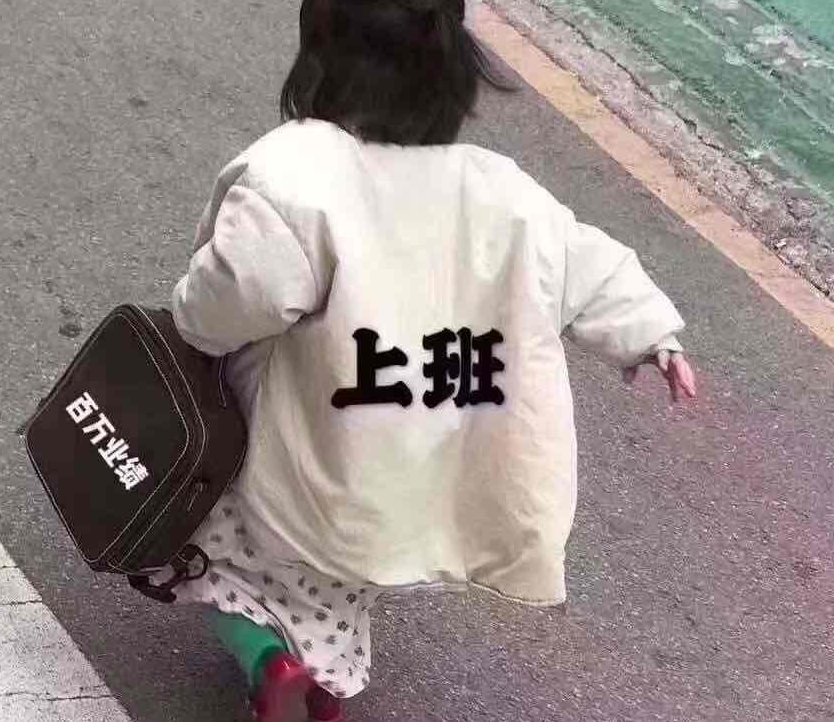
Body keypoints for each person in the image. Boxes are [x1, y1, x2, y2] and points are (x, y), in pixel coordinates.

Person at [170, 1, 698, 720]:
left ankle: (273, 668)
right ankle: (317, 677)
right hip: (407, 481)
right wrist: (652, 335)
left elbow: (240, 292)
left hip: (306, 467)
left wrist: (190, 323)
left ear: (317, 63)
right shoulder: (501, 192)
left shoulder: (300, 175)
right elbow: (586, 262)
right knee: (333, 582)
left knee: (217, 562)